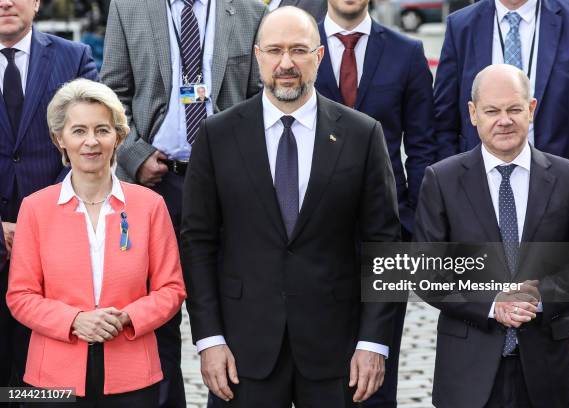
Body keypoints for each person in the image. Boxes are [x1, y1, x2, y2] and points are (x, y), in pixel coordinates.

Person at [182, 6, 400, 407]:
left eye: (299, 50)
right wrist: (209, 339)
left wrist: (374, 342)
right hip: (243, 351)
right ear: (257, 55)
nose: (286, 63)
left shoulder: (362, 134)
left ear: (318, 56)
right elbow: (198, 243)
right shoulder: (217, 135)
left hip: (337, 349)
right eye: (275, 50)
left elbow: (383, 246)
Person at [100, 1, 266, 406]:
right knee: (154, 313)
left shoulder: (249, 12)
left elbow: (257, 97)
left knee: (233, 306)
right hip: (154, 185)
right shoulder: (129, 8)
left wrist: (237, 161)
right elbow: (111, 94)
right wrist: (135, 156)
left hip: (229, 188)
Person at [415, 64, 569, 408]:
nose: (504, 120)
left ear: (531, 109)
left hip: (545, 368)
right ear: (473, 114)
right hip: (467, 370)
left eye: (514, 109)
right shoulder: (441, 180)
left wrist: (537, 296)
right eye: (492, 111)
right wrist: (491, 305)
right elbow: (425, 272)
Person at [6, 78, 186, 406]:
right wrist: (75, 320)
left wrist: (128, 316)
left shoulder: (149, 205)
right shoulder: (35, 208)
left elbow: (171, 290)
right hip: (51, 381)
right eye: (79, 131)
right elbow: (20, 296)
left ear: (118, 137)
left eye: (102, 130)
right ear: (59, 138)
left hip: (133, 374)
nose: (91, 141)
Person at [314, 0, 435, 406]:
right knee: (319, 366)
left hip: (386, 229)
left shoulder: (406, 52)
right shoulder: (298, 45)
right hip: (311, 230)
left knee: (379, 366)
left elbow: (423, 146)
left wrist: (415, 223)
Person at [0, 0, 99, 391]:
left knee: (45, 374)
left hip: (56, 245)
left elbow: (91, 141)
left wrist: (36, 221)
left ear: (37, 1)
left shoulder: (74, 57)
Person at [433, 0, 569, 199]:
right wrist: (458, 192)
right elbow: (443, 124)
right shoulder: (461, 26)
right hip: (479, 195)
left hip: (559, 193)